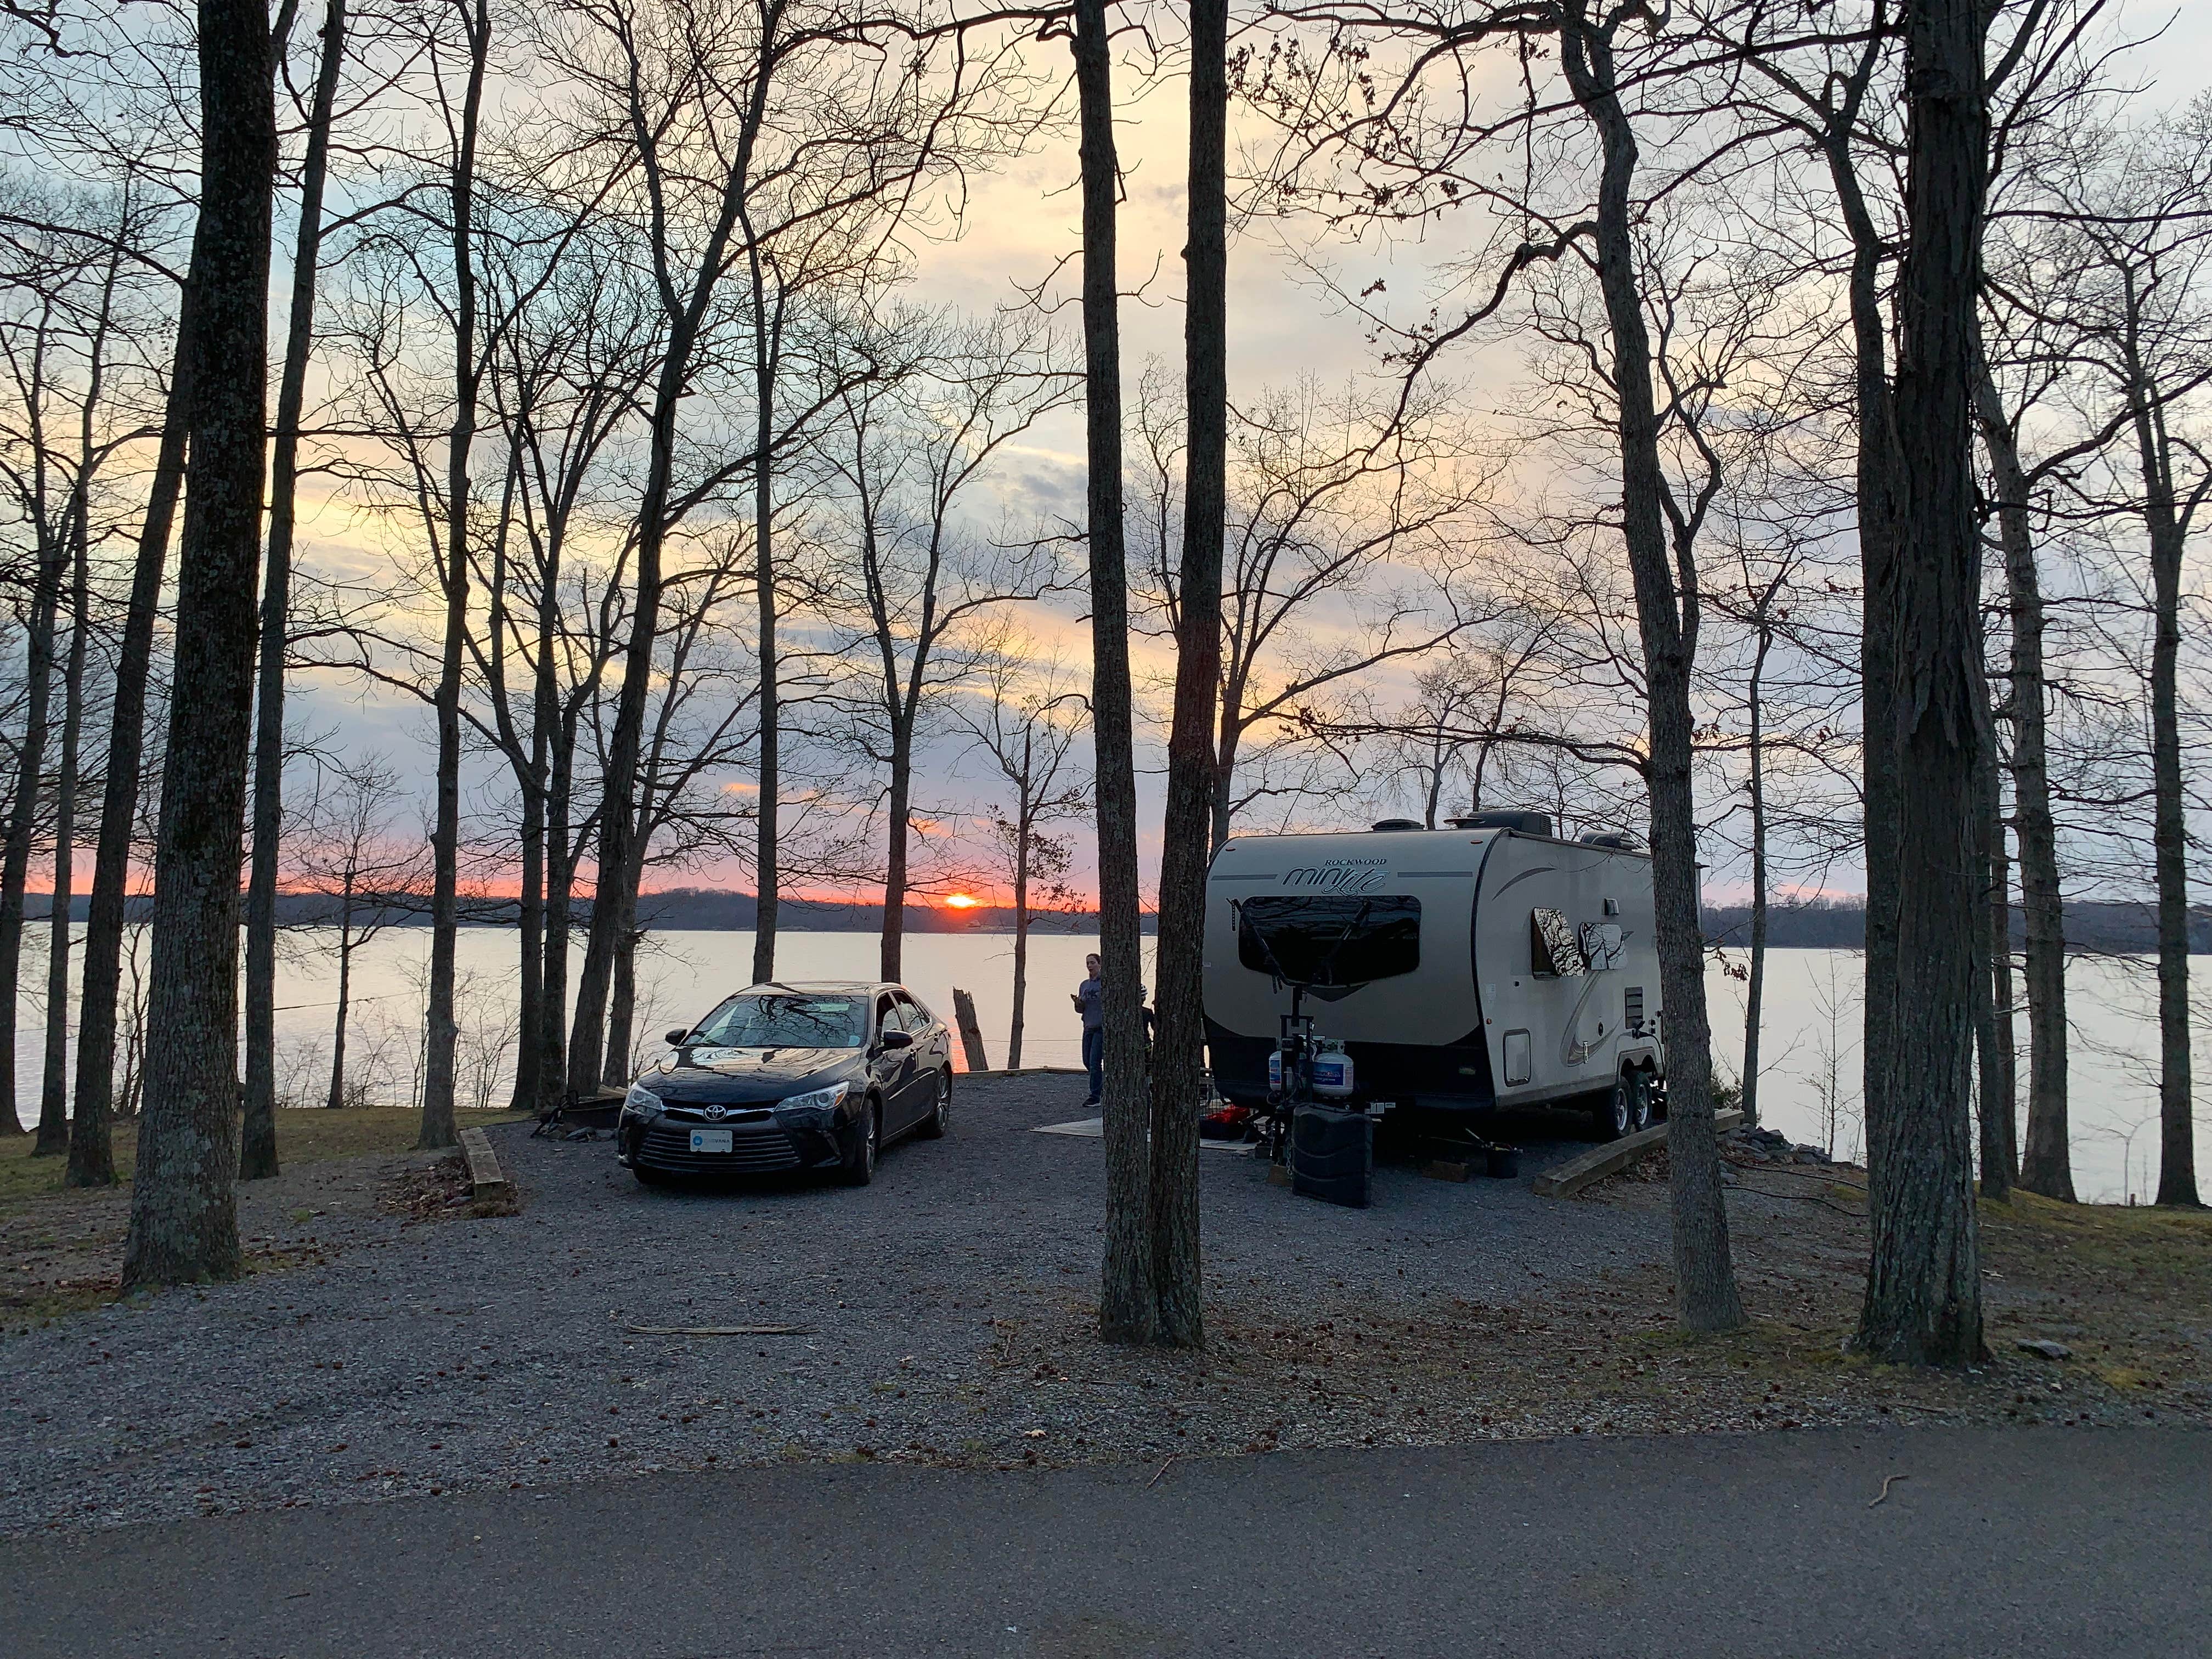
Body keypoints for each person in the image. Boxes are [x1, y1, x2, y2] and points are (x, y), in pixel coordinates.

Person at [1073, 953, 1105, 1106]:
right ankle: (1102, 1085)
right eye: (1087, 963)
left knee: (1094, 1062)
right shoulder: (1084, 985)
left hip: (1101, 1027)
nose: (1090, 966)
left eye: (1092, 963)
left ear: (1100, 964)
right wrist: (1078, 1003)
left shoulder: (1106, 983)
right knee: (1087, 1061)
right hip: (1088, 1026)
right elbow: (1080, 1009)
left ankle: (1095, 1096)